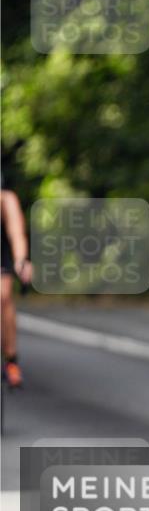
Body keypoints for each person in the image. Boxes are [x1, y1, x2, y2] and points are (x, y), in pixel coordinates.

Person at [1, 144, 33, 389]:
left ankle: (11, 358)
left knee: (3, 296)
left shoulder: (7, 199)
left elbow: (16, 233)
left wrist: (21, 261)